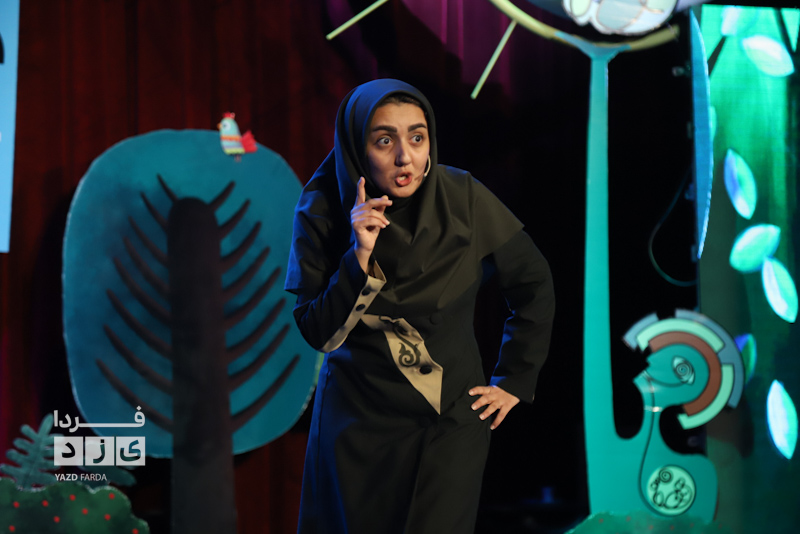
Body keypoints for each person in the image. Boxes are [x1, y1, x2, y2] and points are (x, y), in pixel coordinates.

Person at [285, 79, 555, 534]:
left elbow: (534, 282)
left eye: (417, 137)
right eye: (384, 140)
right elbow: (319, 332)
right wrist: (359, 256)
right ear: (355, 147)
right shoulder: (322, 209)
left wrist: (515, 378)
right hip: (356, 420)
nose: (404, 157)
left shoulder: (462, 198)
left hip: (448, 416)